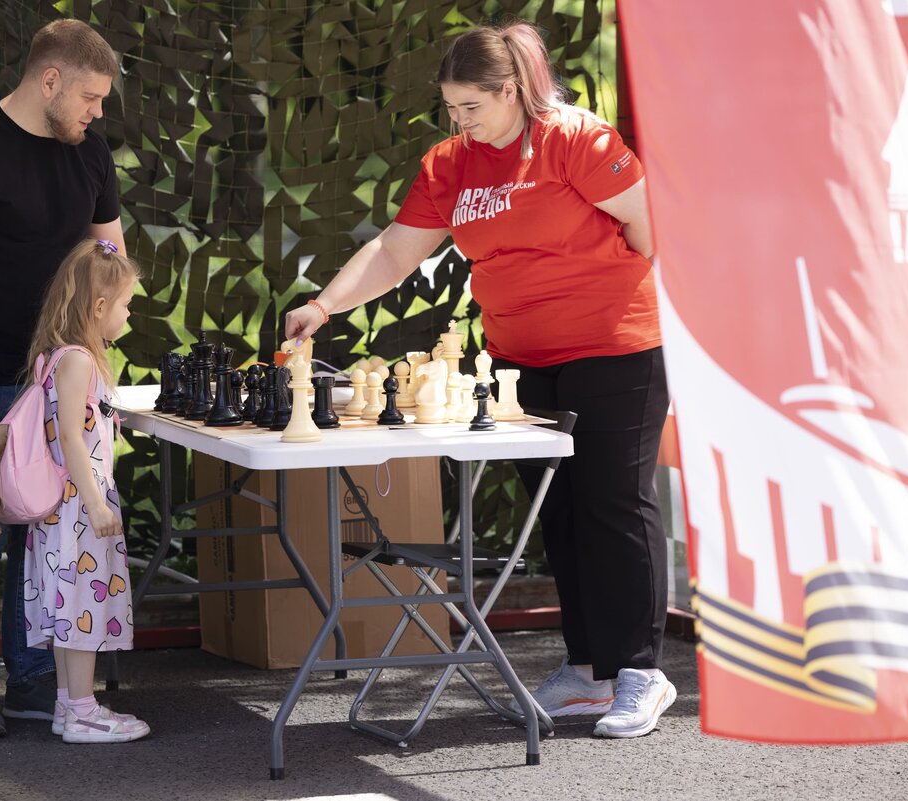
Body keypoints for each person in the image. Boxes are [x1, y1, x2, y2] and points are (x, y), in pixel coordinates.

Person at [284, 21, 675, 739]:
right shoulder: (449, 164)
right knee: (557, 511)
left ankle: (641, 672)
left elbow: (650, 225)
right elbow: (394, 252)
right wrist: (324, 304)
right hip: (520, 359)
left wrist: (609, 287)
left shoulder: (576, 140)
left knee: (614, 505)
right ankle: (588, 669)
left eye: (472, 106)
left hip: (616, 349)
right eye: (451, 108)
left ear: (513, 91)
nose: (460, 120)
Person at [0, 19, 126, 739]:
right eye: (90, 98)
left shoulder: (90, 151)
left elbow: (109, 258)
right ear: (50, 80)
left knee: (44, 528)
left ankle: (34, 677)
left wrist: (94, 363)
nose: (96, 112)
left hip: (60, 381)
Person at [22, 238, 148, 744]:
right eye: (126, 305)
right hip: (78, 508)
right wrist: (96, 503)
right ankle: (82, 712)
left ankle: (69, 706)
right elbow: (73, 436)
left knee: (68, 606)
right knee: (80, 608)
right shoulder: (78, 361)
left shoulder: (56, 357)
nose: (128, 314)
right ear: (99, 307)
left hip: (64, 509)